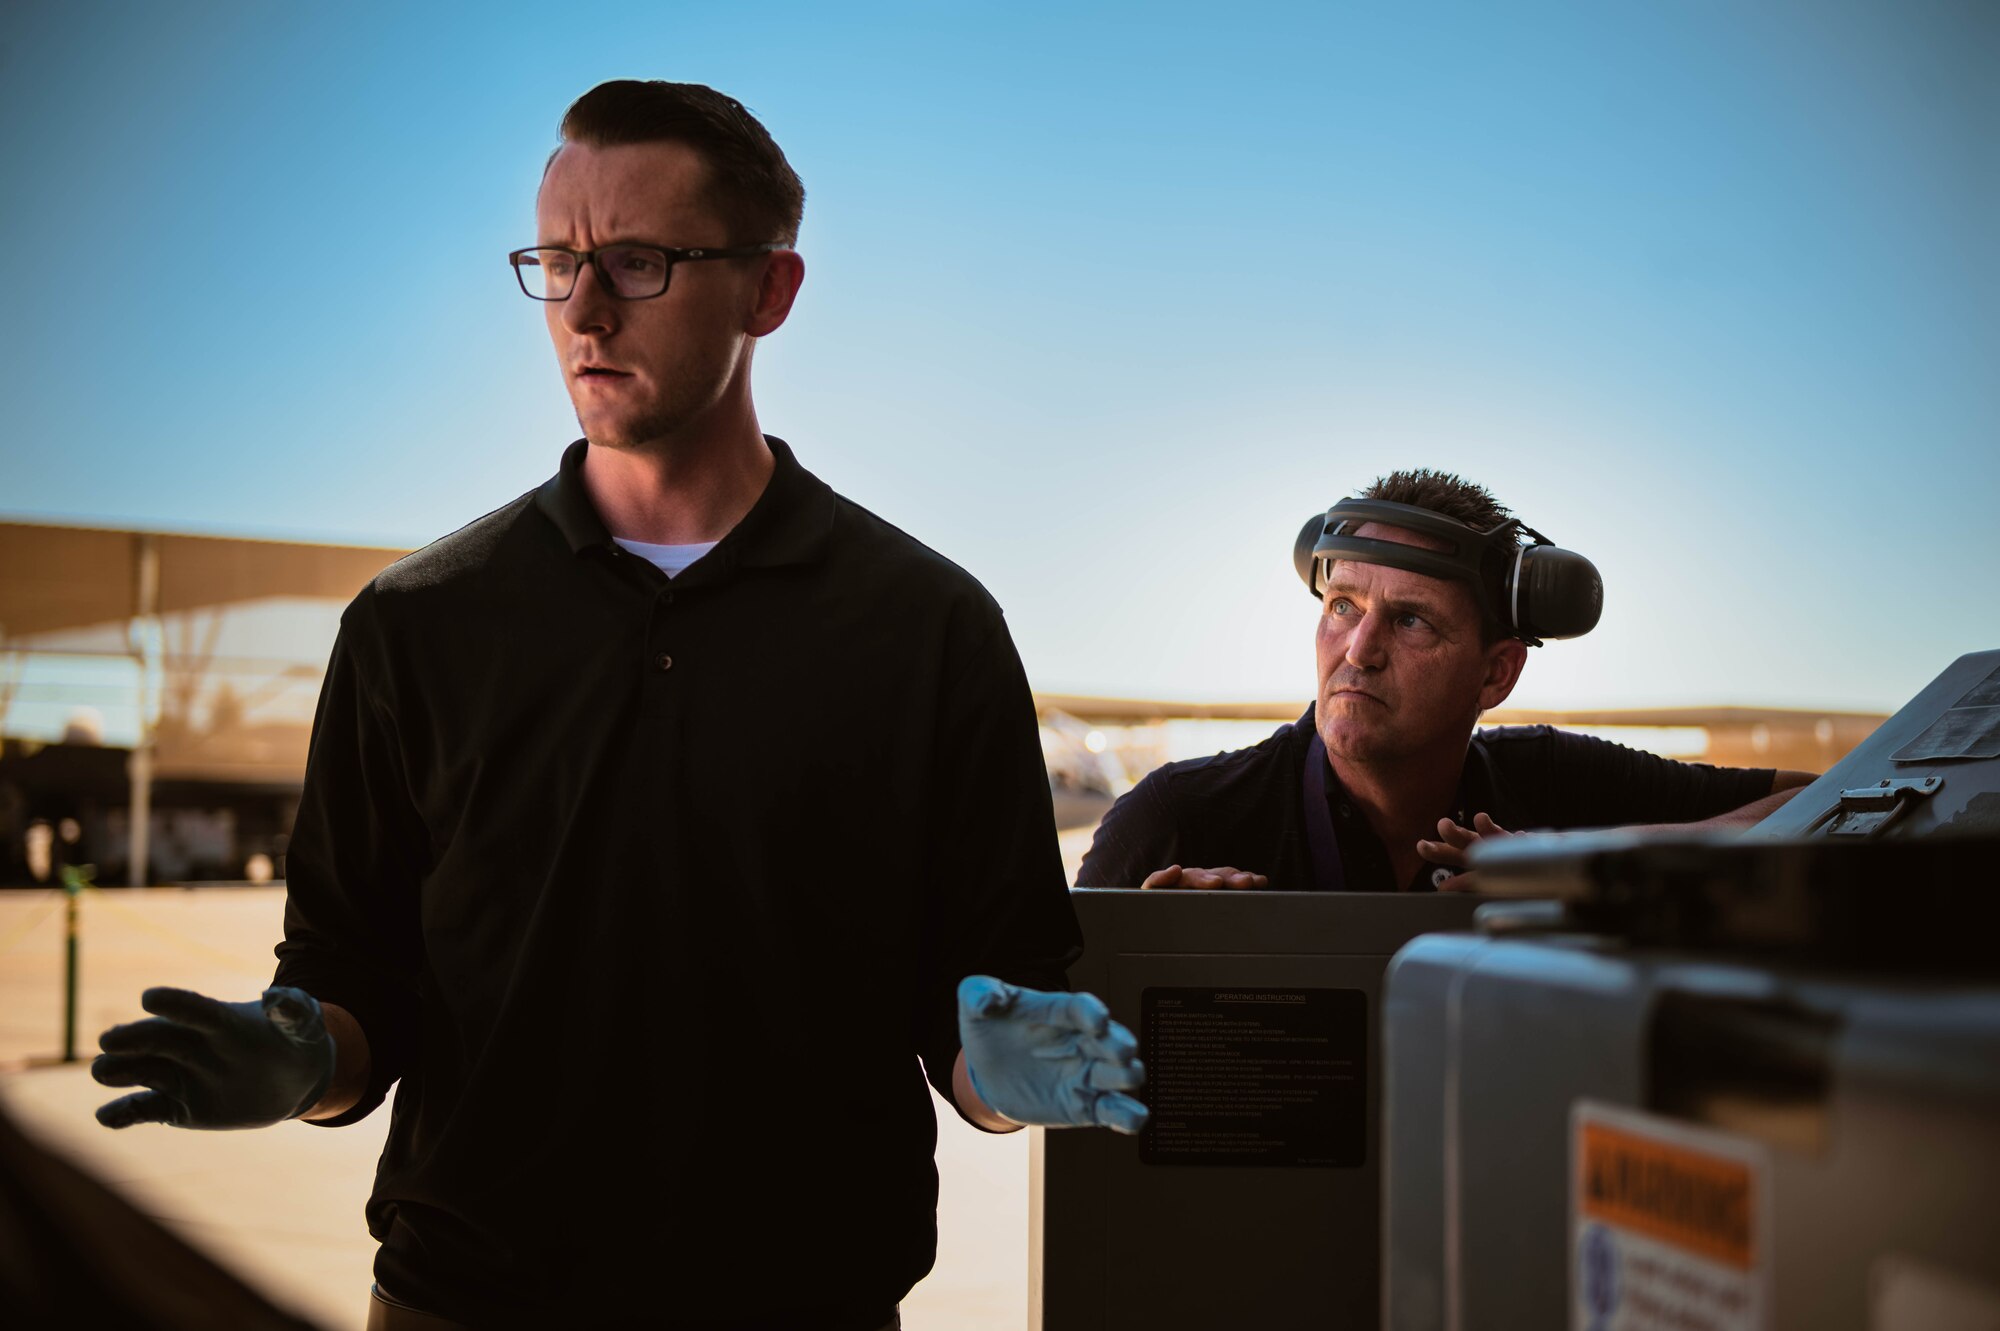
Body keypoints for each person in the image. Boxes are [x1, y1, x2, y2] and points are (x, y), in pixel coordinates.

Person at [89, 80, 1144, 1330]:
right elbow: (352, 971)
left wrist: (1000, 1076)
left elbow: (976, 1002)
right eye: (556, 260)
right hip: (462, 1300)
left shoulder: (929, 627)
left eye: (638, 262)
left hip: (804, 1301)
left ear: (769, 291)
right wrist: (310, 1054)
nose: (582, 309)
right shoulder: (414, 623)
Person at [1077, 469, 1814, 893]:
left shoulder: (1556, 785)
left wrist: (1572, 866)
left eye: (1411, 622)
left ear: (1495, 673)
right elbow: (1019, 1066)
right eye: (1343, 606)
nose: (1358, 650)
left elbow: (1840, 803)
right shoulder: (1176, 821)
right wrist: (1141, 959)